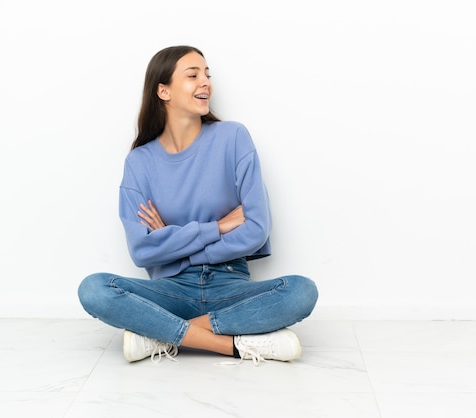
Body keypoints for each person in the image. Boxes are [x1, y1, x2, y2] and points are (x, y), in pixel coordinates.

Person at [77, 45, 318, 365]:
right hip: (170, 291)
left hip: (230, 288)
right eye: (192, 75)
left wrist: (172, 241)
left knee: (302, 292)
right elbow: (141, 251)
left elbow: (256, 230)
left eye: (207, 75)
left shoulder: (233, 138)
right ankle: (235, 345)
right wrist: (217, 227)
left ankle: (159, 334)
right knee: (93, 289)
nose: (205, 82)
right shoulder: (139, 162)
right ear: (163, 91)